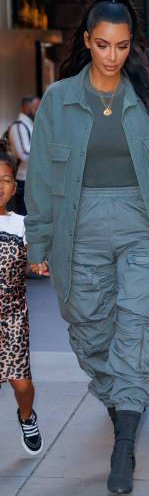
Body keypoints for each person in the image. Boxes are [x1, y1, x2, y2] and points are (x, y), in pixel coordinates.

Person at [24, 0, 149, 496]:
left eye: (123, 46)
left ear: (133, 47)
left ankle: (124, 440)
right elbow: (41, 180)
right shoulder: (58, 104)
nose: (113, 56)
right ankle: (122, 400)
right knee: (90, 330)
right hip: (77, 226)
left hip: (143, 226)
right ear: (87, 41)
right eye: (104, 45)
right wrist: (37, 246)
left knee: (137, 324)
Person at [0, 153, 44, 455]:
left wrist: (38, 263)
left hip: (12, 315)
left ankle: (27, 416)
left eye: (5, 180)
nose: (0, 186)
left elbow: (33, 259)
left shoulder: (21, 225)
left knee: (22, 386)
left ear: (15, 188)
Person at [7, 95, 40, 215]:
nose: (38, 110)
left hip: (33, 178)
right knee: (25, 217)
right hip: (24, 180)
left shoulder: (30, 124)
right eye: (36, 107)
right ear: (26, 108)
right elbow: (24, 154)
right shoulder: (19, 126)